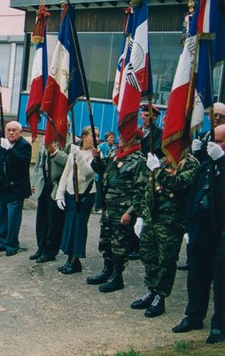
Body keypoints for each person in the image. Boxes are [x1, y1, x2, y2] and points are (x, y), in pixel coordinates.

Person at [129, 147, 198, 317]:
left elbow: (179, 184)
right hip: (153, 219)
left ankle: (161, 296)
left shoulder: (191, 164)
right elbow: (149, 189)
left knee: (166, 261)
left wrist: (157, 169)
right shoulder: (163, 161)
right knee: (148, 256)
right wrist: (142, 216)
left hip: (172, 221)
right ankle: (151, 290)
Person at [175, 124, 225, 343]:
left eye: (221, 141)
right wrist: (189, 229)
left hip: (221, 232)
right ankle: (194, 315)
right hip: (201, 231)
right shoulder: (204, 167)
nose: (215, 144)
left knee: (221, 281)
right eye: (213, 140)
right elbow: (192, 199)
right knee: (196, 276)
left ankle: (220, 325)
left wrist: (222, 161)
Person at [89, 134, 146, 292]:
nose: (120, 137)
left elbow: (141, 190)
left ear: (133, 138)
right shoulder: (114, 153)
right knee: (105, 242)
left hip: (123, 211)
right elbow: (101, 170)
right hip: (109, 208)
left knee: (119, 246)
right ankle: (107, 270)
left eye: (124, 134)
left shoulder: (139, 160)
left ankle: (117, 276)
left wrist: (130, 212)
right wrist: (97, 159)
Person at [55, 127, 98, 274]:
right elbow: (66, 173)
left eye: (97, 136)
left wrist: (78, 155)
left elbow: (88, 173)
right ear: (84, 137)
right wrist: (60, 193)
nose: (96, 138)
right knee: (69, 225)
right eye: (93, 135)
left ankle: (75, 260)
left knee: (79, 226)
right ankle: (69, 258)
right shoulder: (74, 152)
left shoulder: (95, 153)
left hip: (85, 195)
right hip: (71, 193)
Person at [0, 121, 32, 256]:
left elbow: (22, 162)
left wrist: (10, 150)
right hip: (2, 186)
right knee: (1, 216)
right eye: (8, 130)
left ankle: (12, 244)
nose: (11, 133)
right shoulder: (1, 146)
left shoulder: (24, 146)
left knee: (13, 217)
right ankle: (3, 241)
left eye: (14, 130)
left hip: (16, 187)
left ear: (20, 132)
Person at [29, 140, 68, 263]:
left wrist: (55, 152)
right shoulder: (46, 139)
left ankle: (51, 250)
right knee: (41, 219)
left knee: (54, 220)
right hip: (43, 183)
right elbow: (39, 164)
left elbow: (69, 162)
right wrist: (34, 182)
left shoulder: (71, 141)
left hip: (57, 184)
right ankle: (41, 247)